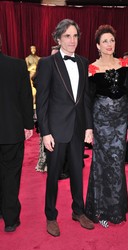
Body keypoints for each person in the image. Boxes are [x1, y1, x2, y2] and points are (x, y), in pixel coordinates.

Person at [35, 19, 94, 237]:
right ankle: (51, 216)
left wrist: (89, 126)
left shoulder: (83, 62)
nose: (72, 40)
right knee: (53, 177)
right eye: (67, 36)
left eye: (75, 36)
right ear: (58, 38)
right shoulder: (47, 63)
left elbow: (85, 98)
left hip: (78, 129)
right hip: (56, 130)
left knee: (78, 173)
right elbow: (41, 102)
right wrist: (45, 132)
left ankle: (78, 211)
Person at [84, 25, 128, 228]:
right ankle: (99, 209)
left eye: (112, 40)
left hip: (119, 121)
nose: (110, 44)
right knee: (101, 162)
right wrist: (88, 127)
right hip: (101, 121)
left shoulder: (124, 64)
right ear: (98, 45)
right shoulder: (92, 68)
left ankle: (116, 208)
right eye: (105, 41)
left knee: (117, 162)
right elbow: (88, 100)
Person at [0, 33, 34, 232]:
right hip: (12, 130)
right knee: (11, 174)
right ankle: (11, 219)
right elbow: (26, 98)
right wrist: (29, 124)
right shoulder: (17, 65)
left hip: (12, 131)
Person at [35, 45, 70, 179]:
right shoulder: (45, 66)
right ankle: (52, 167)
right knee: (49, 141)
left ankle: (62, 167)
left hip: (62, 113)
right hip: (48, 111)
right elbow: (37, 82)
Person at [25, 45, 40, 110]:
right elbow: (26, 69)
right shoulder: (27, 59)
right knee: (31, 90)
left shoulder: (39, 58)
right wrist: (32, 67)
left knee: (38, 90)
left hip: (38, 76)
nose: (33, 50)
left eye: (34, 48)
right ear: (30, 50)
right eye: (32, 49)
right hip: (30, 76)